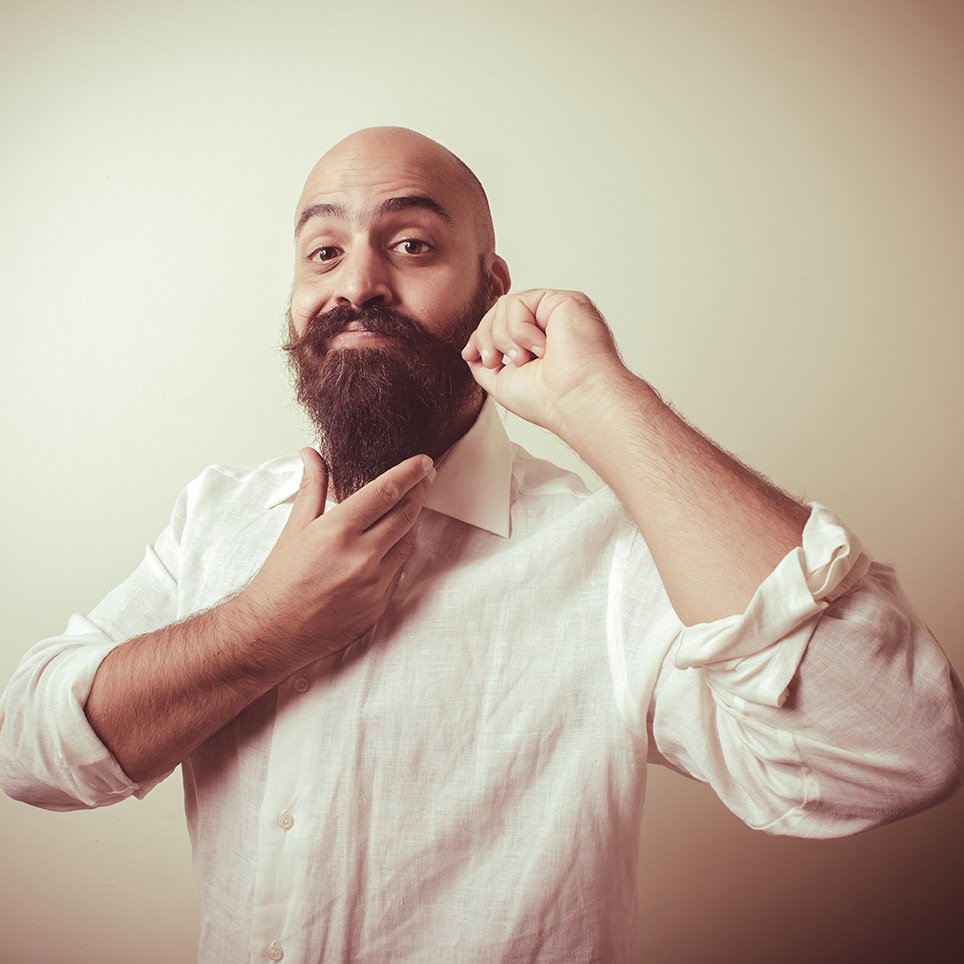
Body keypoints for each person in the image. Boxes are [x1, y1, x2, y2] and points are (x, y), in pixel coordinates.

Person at [1, 126, 961, 963]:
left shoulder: (613, 561)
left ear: (491, 286)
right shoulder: (216, 517)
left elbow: (893, 749)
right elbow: (27, 748)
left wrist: (599, 400)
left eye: (411, 245)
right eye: (323, 253)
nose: (358, 284)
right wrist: (264, 630)